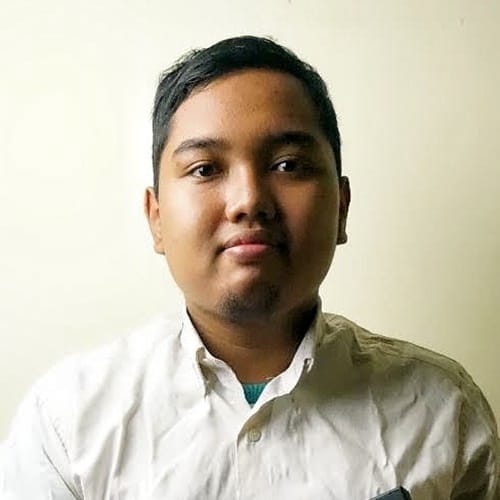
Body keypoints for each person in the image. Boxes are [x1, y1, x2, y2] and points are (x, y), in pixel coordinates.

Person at [1, 36, 498, 500]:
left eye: (288, 165)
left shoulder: (443, 414)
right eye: (205, 169)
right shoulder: (67, 425)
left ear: (342, 209)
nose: (248, 201)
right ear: (156, 218)